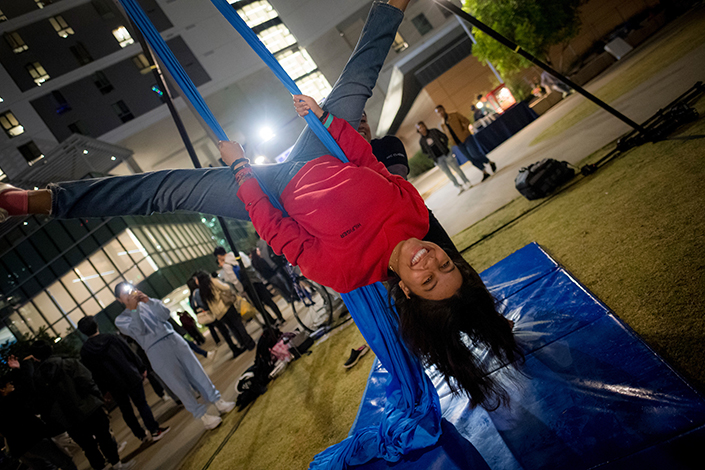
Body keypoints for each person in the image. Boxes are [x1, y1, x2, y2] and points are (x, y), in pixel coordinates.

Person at [1, 0, 521, 408]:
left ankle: (44, 200)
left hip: (270, 190)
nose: (428, 260)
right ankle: (394, 3)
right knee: (358, 79)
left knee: (170, 188)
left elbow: (277, 232)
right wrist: (327, 120)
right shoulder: (416, 217)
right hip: (325, 148)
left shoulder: (347, 270)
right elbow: (366, 163)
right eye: (444, 263)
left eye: (427, 279)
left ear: (405, 291)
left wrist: (242, 169)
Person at [113, 282, 235, 430]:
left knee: (197, 372)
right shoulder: (120, 319)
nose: (129, 294)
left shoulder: (147, 302)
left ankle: (218, 401)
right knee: (178, 384)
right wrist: (133, 310)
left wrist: (148, 301)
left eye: (130, 290)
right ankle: (203, 416)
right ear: (119, 300)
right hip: (155, 350)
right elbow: (138, 330)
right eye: (124, 294)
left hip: (173, 338)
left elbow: (165, 314)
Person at [8, 341, 135, 470]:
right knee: (104, 437)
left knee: (88, 447)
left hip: (68, 418)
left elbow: (39, 400)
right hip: (90, 408)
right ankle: (116, 464)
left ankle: (100, 467)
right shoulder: (68, 363)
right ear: (51, 349)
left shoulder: (37, 378)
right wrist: (98, 397)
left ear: (35, 357)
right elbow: (87, 380)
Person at [76, 316, 169, 445]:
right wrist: (141, 368)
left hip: (112, 385)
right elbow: (128, 352)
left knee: (126, 411)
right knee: (142, 404)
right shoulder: (111, 338)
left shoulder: (85, 351)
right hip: (129, 375)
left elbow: (93, 374)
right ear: (96, 325)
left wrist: (103, 391)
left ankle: (141, 436)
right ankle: (154, 430)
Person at [0, 374, 78, 470]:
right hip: (34, 438)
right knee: (64, 461)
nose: (12, 385)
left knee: (46, 466)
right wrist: (18, 370)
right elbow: (27, 384)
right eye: (8, 384)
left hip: (20, 448)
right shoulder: (11, 399)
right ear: (2, 389)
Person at [214, 247, 285, 325]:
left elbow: (234, 280)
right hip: (256, 280)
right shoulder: (239, 254)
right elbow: (249, 264)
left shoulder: (227, 265)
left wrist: (241, 290)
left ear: (219, 256)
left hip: (247, 285)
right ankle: (280, 317)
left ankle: (272, 321)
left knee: (259, 306)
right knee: (268, 300)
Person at [193, 270, 257, 352]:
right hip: (226, 307)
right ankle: (249, 343)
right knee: (238, 325)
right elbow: (226, 287)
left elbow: (206, 304)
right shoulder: (213, 282)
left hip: (218, 314)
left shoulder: (201, 290)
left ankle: (242, 344)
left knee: (232, 328)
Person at [434, 104, 496, 181]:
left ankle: (489, 162)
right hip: (458, 143)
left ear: (444, 109)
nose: (440, 113)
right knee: (470, 158)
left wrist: (465, 131)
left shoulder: (454, 115)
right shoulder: (442, 124)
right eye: (438, 112)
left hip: (466, 138)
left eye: (440, 111)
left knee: (475, 154)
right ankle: (484, 171)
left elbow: (466, 121)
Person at [416, 121, 471, 193]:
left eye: (422, 126)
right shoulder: (421, 141)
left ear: (425, 126)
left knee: (457, 169)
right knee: (449, 174)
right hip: (438, 160)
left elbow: (444, 137)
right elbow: (424, 151)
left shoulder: (434, 131)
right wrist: (431, 156)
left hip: (446, 154)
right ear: (418, 130)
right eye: (420, 128)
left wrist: (444, 146)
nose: (422, 129)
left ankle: (466, 181)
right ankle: (458, 186)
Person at [187, 277, 222, 346]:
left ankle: (217, 341)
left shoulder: (190, 296)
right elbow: (202, 302)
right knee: (219, 325)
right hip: (207, 312)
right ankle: (228, 339)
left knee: (211, 328)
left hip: (202, 314)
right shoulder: (198, 291)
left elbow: (192, 306)